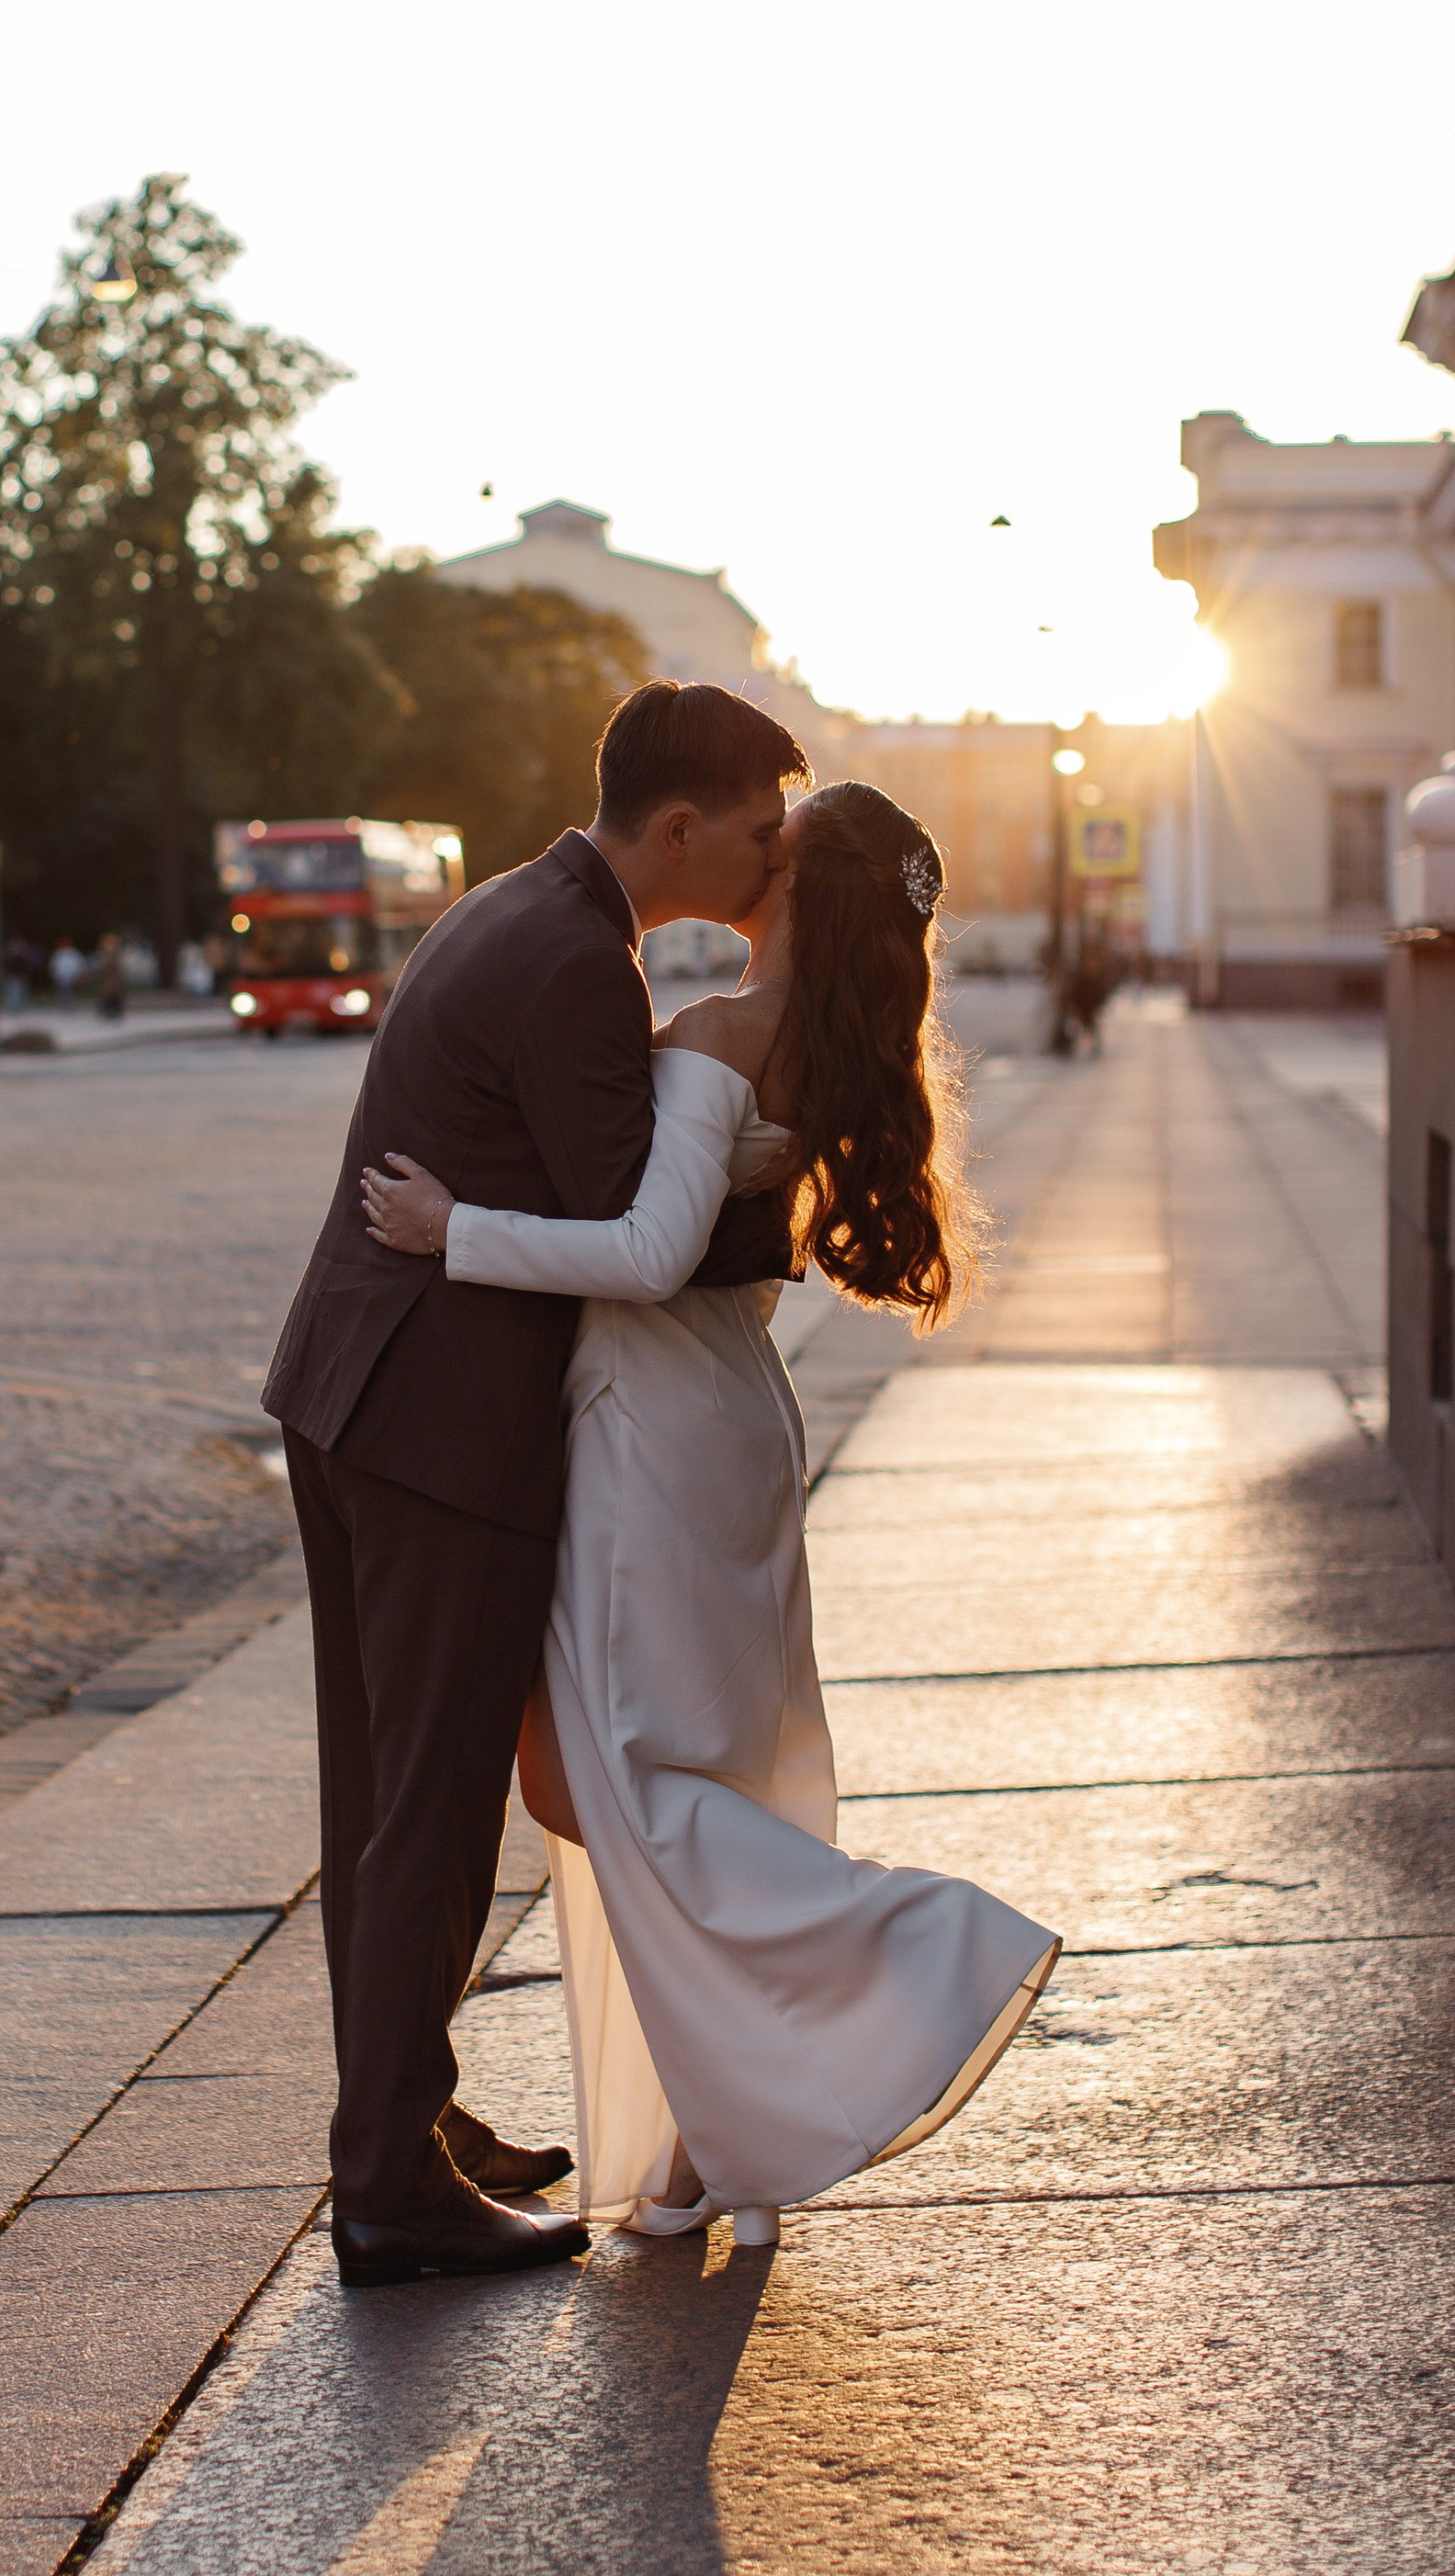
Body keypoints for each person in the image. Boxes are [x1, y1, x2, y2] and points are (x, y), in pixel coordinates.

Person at [362, 778, 1059, 2255]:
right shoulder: (831, 1046)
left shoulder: (719, 1039)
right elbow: (718, 1248)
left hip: (650, 1447)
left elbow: (648, 1246)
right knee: (701, 1778)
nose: (751, 856)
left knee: (640, 1792)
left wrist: (453, 1231)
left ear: (800, 884)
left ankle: (926, 1944)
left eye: (776, 847)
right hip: (735, 1425)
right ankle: (699, 2153)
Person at [263, 679, 810, 2288]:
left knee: (392, 1798)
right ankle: (388, 2187)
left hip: (360, 1398)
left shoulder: (522, 905)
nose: (777, 860)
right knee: (428, 1809)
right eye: (764, 832)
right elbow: (642, 1236)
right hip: (438, 1429)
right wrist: (780, 1170)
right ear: (685, 825)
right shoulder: (576, 959)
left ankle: (407, 2116)